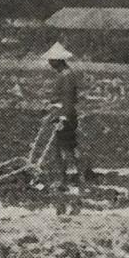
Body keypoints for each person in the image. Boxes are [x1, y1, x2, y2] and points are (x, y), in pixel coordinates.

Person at [42, 42, 85, 185]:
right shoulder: (67, 73)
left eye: (51, 60)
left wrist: (62, 118)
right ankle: (79, 176)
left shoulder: (66, 76)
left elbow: (67, 98)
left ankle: (63, 179)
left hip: (65, 115)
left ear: (57, 60)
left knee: (61, 148)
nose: (49, 62)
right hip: (67, 113)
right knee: (70, 146)